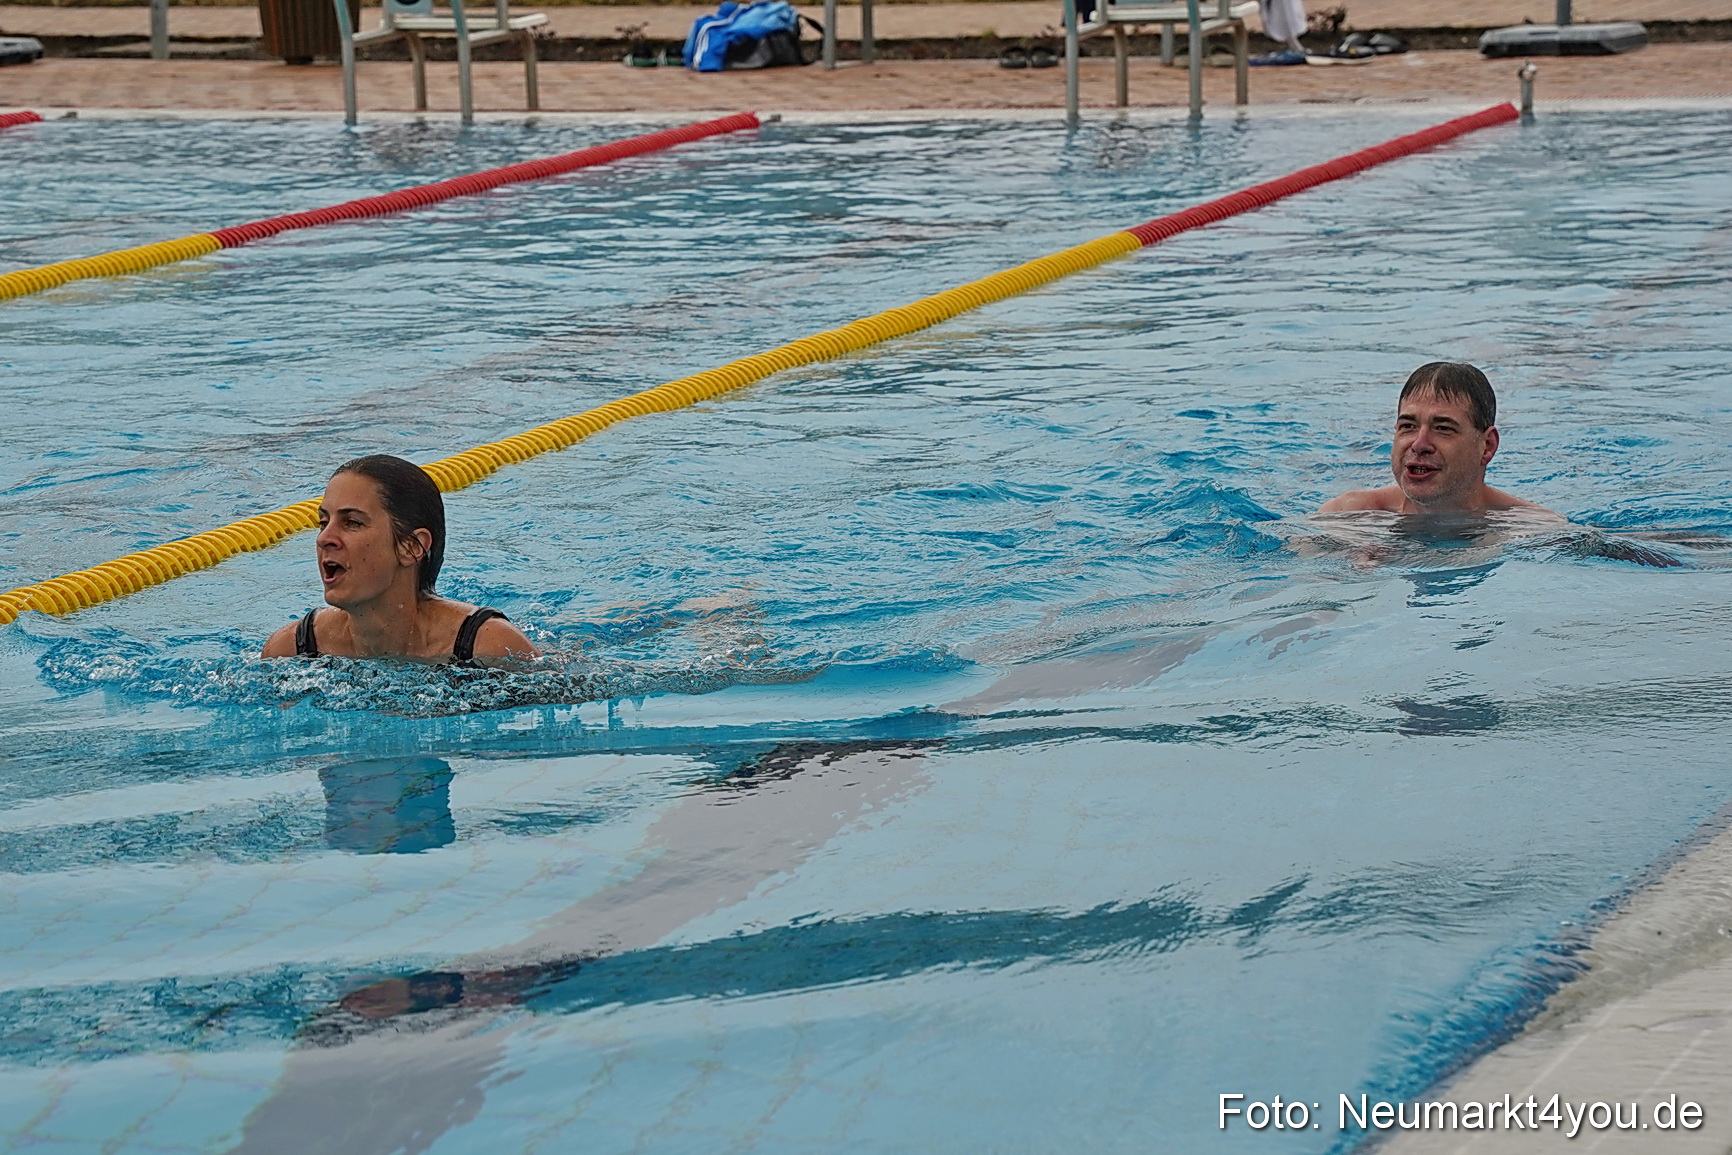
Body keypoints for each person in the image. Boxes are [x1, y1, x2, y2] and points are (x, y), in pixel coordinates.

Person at [262, 454, 539, 663]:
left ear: (411, 547)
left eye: (352, 523)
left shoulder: (489, 646)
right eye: (323, 522)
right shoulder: (291, 649)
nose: (324, 539)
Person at [1319, 362, 1562, 518]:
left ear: (1487, 446)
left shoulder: (1531, 531)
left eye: (1443, 428)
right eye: (1408, 426)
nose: (1419, 444)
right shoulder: (1346, 516)